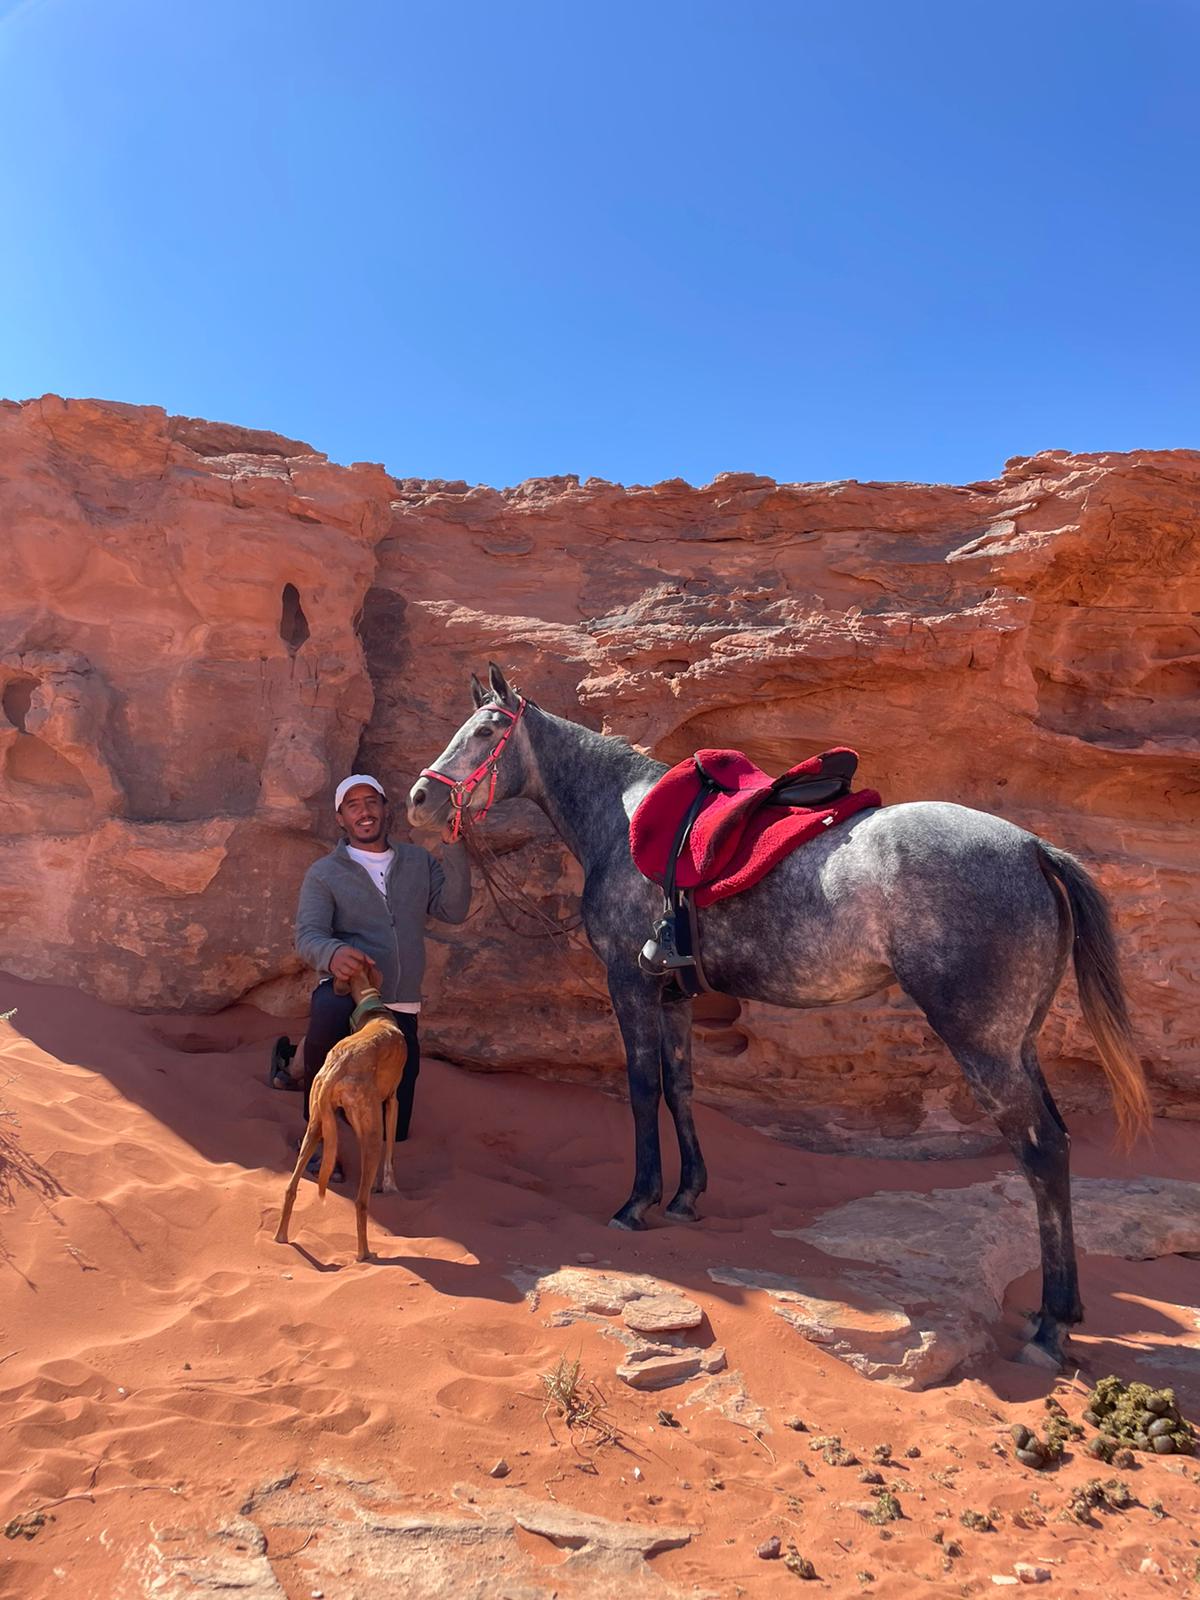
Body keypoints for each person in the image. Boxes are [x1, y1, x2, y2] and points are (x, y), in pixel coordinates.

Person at [287, 772, 470, 1179]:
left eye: (371, 802)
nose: (364, 812)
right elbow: (308, 935)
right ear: (340, 819)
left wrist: (454, 849)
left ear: (386, 809)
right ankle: (316, 1134)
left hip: (400, 999)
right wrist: (333, 953)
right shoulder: (324, 873)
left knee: (394, 1128)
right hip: (349, 993)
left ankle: (293, 1059)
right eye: (352, 806)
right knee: (328, 1018)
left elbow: (454, 909)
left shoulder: (419, 862)